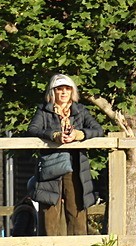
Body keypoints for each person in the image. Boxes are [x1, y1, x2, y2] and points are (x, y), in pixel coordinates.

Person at [26, 74, 105, 236]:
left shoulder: (80, 110)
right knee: (49, 205)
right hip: (50, 164)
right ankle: (49, 245)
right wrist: (54, 136)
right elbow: (33, 129)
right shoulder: (44, 110)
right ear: (52, 92)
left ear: (72, 92)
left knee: (76, 205)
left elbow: (98, 130)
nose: (63, 93)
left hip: (75, 164)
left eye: (67, 89)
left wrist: (79, 134)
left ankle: (78, 245)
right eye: (59, 89)